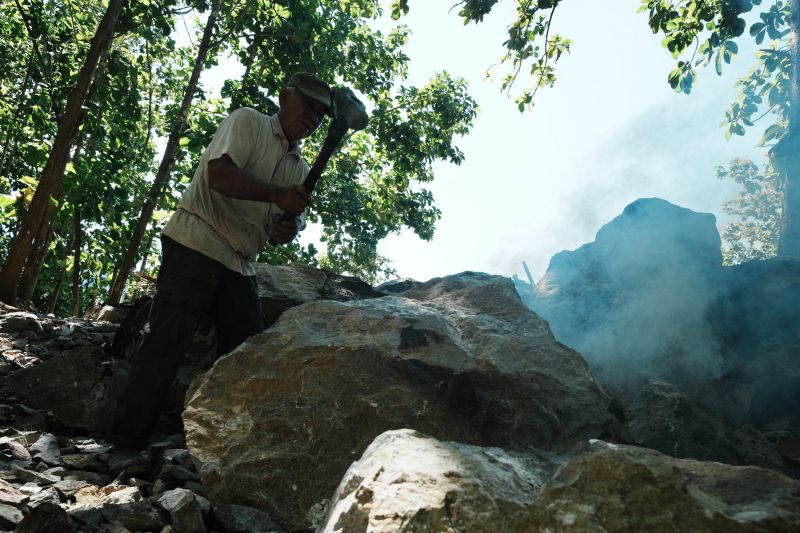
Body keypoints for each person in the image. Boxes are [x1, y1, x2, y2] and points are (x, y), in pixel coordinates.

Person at [106, 73, 333, 469]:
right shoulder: (248, 122)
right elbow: (219, 175)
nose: (312, 118)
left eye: (320, 115)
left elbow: (279, 230)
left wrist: (287, 227)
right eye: (307, 106)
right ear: (284, 97)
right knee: (166, 341)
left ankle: (224, 454)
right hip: (197, 239)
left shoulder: (299, 168)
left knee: (246, 357)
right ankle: (124, 443)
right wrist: (278, 195)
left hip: (240, 263)